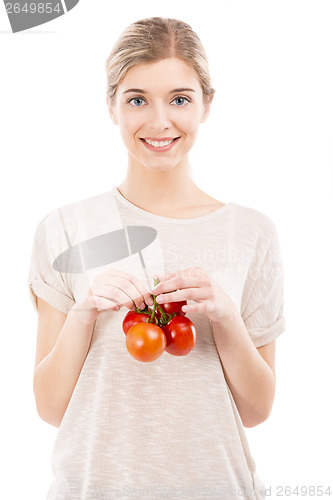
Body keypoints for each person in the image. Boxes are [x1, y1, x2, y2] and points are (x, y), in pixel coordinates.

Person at [28, 17, 286, 500]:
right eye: (137, 99)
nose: (160, 121)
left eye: (180, 99)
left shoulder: (252, 233)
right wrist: (83, 313)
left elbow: (256, 410)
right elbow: (50, 406)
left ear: (208, 104)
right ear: (111, 106)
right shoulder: (63, 228)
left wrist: (226, 316)